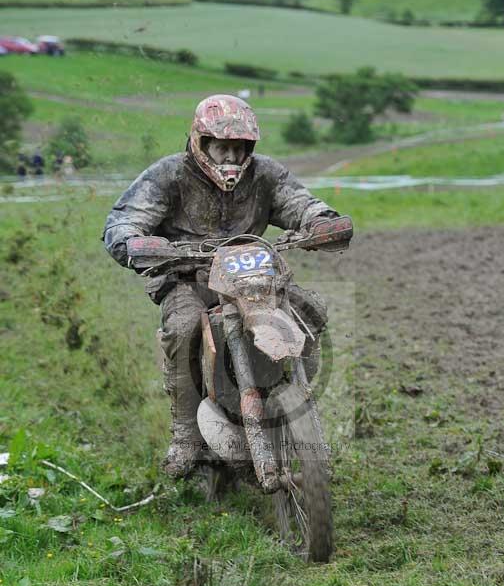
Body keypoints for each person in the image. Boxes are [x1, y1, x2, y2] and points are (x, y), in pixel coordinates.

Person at [103, 95, 342, 478]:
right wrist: (136, 242)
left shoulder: (265, 175)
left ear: (249, 148)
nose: (230, 158)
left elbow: (299, 202)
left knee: (310, 310)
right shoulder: (168, 175)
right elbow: (125, 220)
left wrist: (321, 221)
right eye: (222, 148)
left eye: (238, 148)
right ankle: (186, 435)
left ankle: (287, 397)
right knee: (183, 327)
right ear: (202, 143)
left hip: (253, 277)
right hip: (186, 275)